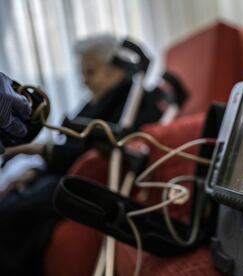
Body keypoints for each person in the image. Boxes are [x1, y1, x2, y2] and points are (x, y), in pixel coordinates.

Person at [0, 34, 178, 276]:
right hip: (57, 175)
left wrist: (34, 149)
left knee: (10, 216)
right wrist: (31, 173)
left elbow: (89, 155)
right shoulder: (96, 102)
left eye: (91, 72)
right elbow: (70, 144)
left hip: (80, 182)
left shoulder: (134, 101)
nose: (84, 81)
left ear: (117, 69)